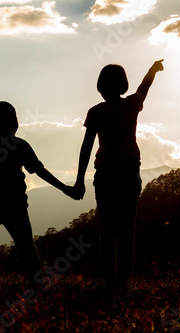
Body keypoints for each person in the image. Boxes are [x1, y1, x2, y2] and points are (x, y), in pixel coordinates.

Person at [0, 101, 76, 288]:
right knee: (26, 248)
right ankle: (36, 284)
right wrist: (65, 188)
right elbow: (39, 171)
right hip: (14, 204)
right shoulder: (20, 145)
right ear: (14, 122)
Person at [73, 60, 164, 298]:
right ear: (123, 84)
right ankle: (123, 282)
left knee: (107, 231)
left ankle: (109, 282)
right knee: (127, 230)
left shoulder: (96, 112)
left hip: (105, 174)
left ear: (100, 87)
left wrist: (80, 179)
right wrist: (152, 70)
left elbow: (86, 147)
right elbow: (144, 88)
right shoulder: (132, 104)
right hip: (130, 173)